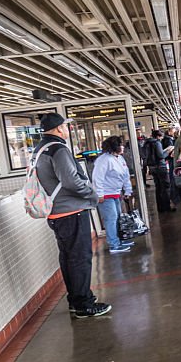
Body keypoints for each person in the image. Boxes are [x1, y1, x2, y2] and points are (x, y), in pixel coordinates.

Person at [34, 113, 110, 319]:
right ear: (59, 129)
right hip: (71, 212)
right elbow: (71, 181)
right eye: (65, 126)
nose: (67, 130)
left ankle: (75, 301)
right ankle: (84, 304)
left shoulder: (40, 149)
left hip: (57, 213)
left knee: (68, 258)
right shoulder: (58, 149)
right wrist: (92, 195)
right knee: (79, 258)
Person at [93, 135, 134, 254]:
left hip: (116, 193)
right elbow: (97, 178)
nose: (122, 147)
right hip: (106, 195)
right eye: (120, 145)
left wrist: (127, 190)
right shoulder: (103, 160)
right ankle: (114, 244)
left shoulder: (119, 158)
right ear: (113, 147)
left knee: (117, 218)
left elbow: (125, 175)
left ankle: (119, 240)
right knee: (111, 219)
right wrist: (99, 194)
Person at [145, 129, 173, 212]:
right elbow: (161, 155)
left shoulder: (147, 143)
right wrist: (168, 151)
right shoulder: (157, 142)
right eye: (161, 137)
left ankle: (160, 207)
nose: (161, 138)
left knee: (158, 187)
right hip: (160, 167)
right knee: (166, 186)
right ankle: (167, 207)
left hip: (152, 168)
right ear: (158, 136)